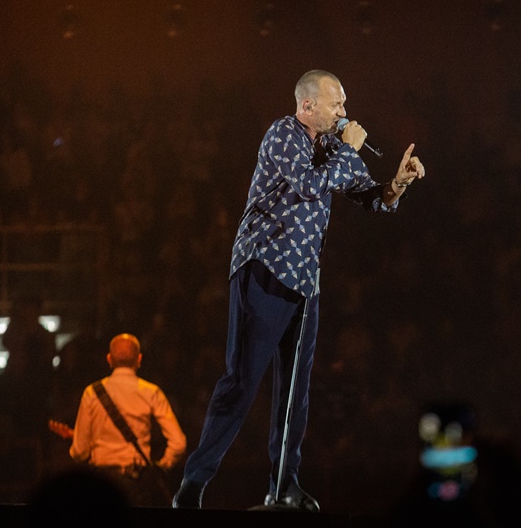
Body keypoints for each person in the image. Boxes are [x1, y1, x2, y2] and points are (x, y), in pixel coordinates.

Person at [172, 69, 426, 511]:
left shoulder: (331, 148)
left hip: (306, 281)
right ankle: (193, 483)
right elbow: (309, 185)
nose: (344, 111)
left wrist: (397, 183)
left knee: (294, 393)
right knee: (242, 381)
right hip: (265, 268)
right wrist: (347, 150)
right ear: (308, 105)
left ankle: (283, 485)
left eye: (344, 103)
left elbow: (371, 197)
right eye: (336, 103)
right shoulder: (283, 134)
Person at [65, 333, 187, 507]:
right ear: (139, 359)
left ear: (109, 359)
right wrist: (161, 466)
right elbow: (179, 443)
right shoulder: (151, 392)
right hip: (137, 482)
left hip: (101, 482)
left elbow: (80, 451)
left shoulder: (92, 393)